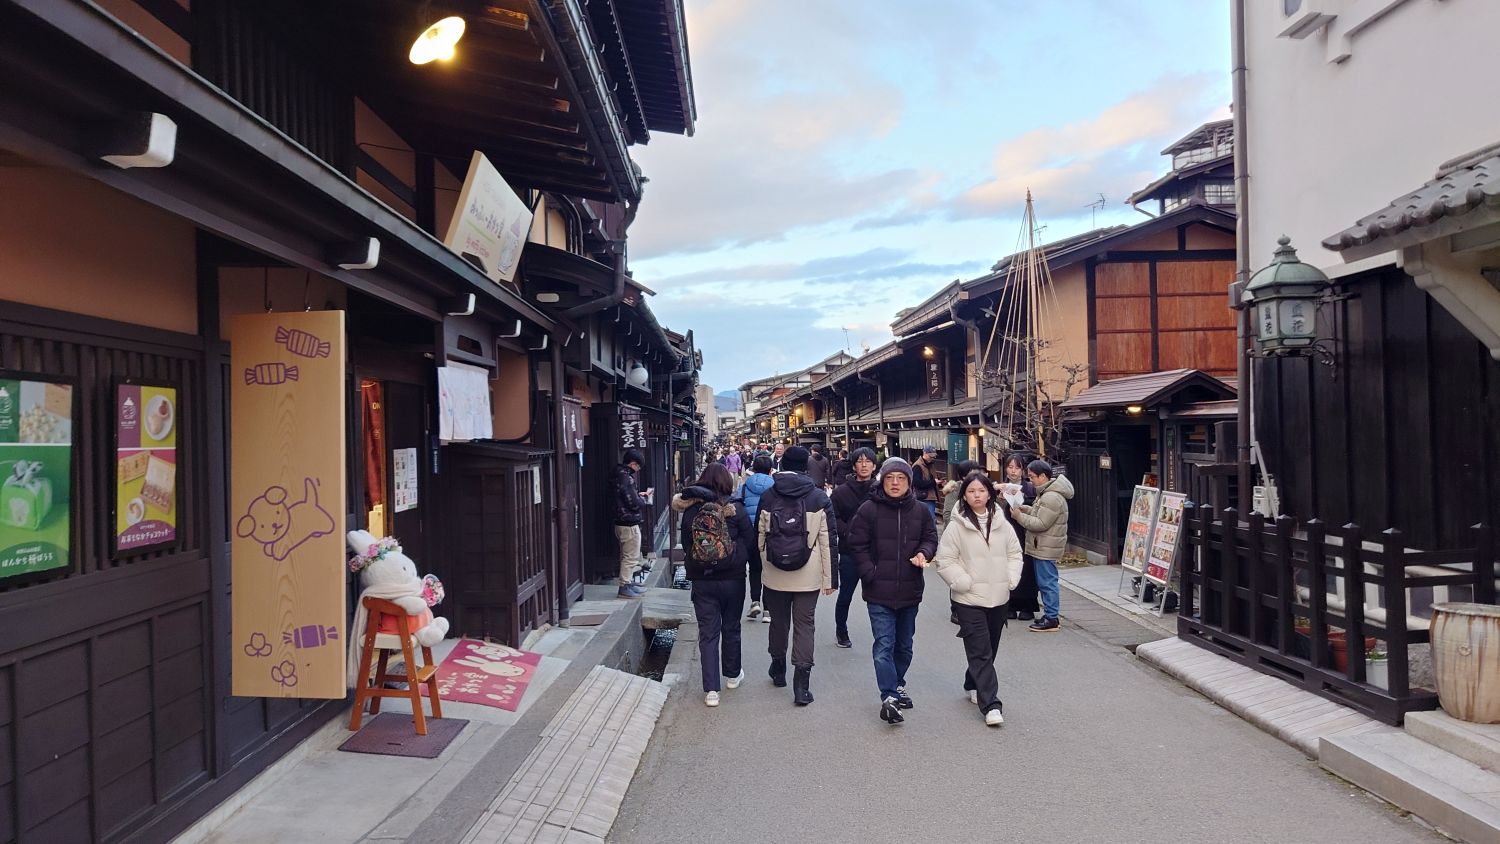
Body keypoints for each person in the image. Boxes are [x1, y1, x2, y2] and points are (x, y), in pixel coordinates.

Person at [846, 457, 938, 725]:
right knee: (884, 644)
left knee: (905, 645)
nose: (895, 483)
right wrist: (869, 572)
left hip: (910, 588)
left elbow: (931, 538)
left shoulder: (920, 510)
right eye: (889, 478)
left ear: (909, 482)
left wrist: (924, 552)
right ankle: (889, 696)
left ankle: (897, 683)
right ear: (882, 480)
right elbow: (856, 543)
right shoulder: (868, 509)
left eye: (900, 478)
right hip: (878, 591)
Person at [933, 472, 1024, 727]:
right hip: (969, 598)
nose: (976, 495)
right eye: (971, 491)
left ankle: (972, 681)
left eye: (981, 491)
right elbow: (945, 560)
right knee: (980, 650)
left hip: (998, 596)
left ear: (989, 493)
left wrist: (1011, 579)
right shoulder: (957, 524)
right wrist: (962, 583)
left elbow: (1015, 553)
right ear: (964, 495)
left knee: (990, 648)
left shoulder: (1001, 522)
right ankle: (991, 705)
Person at [756, 445, 836, 706]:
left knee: (778, 622)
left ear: (782, 465)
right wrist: (830, 579)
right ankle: (801, 686)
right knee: (805, 625)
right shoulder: (818, 497)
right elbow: (828, 541)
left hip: (775, 571)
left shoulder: (768, 495)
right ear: (806, 467)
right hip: (808, 573)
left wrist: (763, 568)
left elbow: (759, 537)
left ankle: (778, 667)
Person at [673, 463, 754, 707]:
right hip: (733, 578)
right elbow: (750, 542)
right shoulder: (735, 509)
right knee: (731, 627)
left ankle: (711, 691)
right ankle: (732, 675)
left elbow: (686, 544)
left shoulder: (690, 510)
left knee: (708, 633)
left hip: (702, 580)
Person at [1008, 459, 1074, 632]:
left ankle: (1052, 618)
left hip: (1046, 546)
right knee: (1045, 581)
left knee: (1047, 582)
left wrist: (1018, 516)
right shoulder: (1047, 493)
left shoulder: (1051, 496)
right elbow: (1040, 514)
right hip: (1043, 545)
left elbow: (1041, 523)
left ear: (1043, 476)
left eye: (1032, 477)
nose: (1030, 481)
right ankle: (1050, 616)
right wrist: (1025, 509)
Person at [830, 447, 878, 648]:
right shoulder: (841, 491)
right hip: (849, 551)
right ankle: (841, 630)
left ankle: (882, 633)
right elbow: (832, 517)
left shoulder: (880, 490)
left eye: (868, 461)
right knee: (846, 594)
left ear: (875, 466)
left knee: (877, 596)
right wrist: (849, 532)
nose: (864, 465)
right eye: (860, 461)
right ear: (854, 464)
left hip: (876, 552)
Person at [999, 453, 1040, 621]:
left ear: (1022, 470)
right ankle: (1010, 604)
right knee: (1007, 567)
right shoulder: (1000, 488)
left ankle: (1027, 606)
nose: (1013, 471)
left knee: (1026, 569)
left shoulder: (1030, 488)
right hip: (1006, 532)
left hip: (1025, 533)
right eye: (1010, 467)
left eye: (1017, 467)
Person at [739, 454, 776, 623]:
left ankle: (755, 602)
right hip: (771, 533)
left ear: (753, 469)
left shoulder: (745, 487)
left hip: (750, 534)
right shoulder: (776, 486)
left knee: (755, 569)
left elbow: (736, 506)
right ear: (770, 470)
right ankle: (768, 610)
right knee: (768, 569)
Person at [613, 449, 650, 598]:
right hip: (628, 522)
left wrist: (637, 495)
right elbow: (633, 503)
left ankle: (627, 583)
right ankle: (624, 586)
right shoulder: (626, 478)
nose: (637, 470)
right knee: (631, 556)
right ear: (633, 464)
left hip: (619, 521)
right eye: (638, 466)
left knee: (625, 555)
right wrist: (643, 500)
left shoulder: (616, 475)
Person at [911, 446, 942, 519]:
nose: (932, 458)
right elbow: (917, 483)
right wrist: (934, 482)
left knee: (929, 519)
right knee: (929, 519)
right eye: (930, 456)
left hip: (930, 497)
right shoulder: (917, 466)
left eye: (934, 456)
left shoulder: (931, 465)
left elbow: (933, 479)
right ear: (924, 453)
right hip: (923, 498)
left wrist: (940, 483)